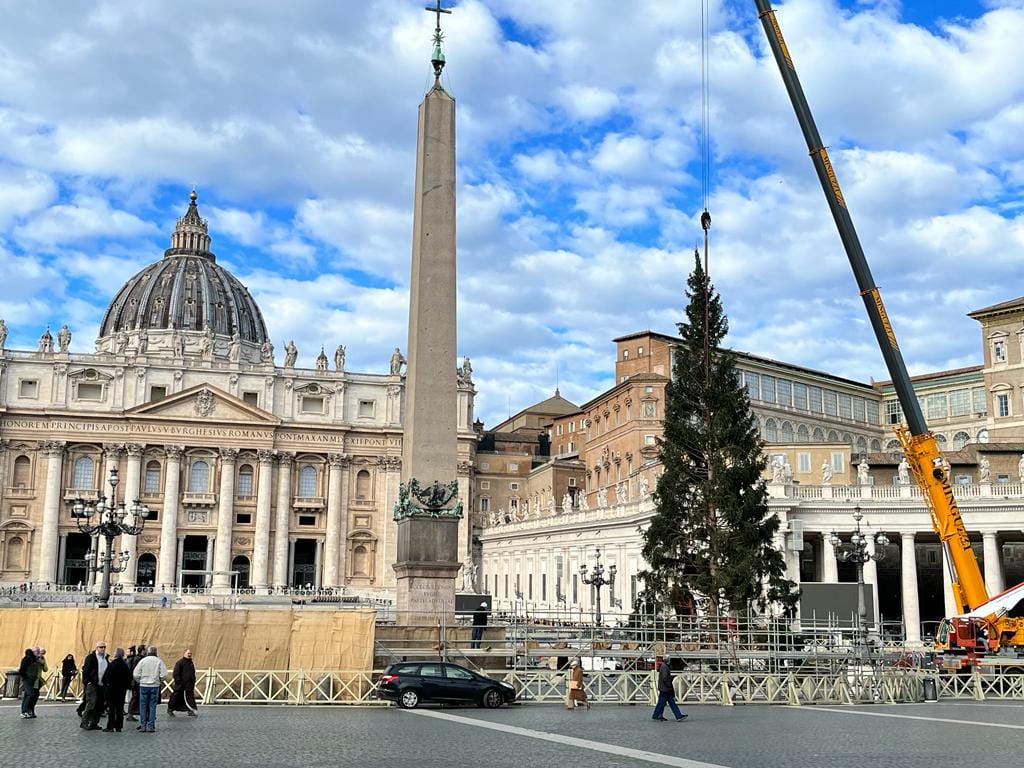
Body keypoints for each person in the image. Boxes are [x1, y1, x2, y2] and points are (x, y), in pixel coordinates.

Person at [133, 646, 168, 733]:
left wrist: (139, 681)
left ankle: (143, 725)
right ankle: (150, 726)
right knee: (152, 706)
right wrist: (159, 680)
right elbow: (164, 674)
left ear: (148, 652)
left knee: (143, 706)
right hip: (154, 686)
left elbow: (136, 673)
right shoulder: (159, 661)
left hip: (144, 685)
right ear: (156, 652)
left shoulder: (143, 661)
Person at [80, 641, 109, 730]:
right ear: (96, 648)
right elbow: (86, 670)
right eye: (101, 647)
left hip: (102, 685)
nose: (103, 649)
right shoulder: (91, 658)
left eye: (104, 647)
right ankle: (84, 722)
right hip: (92, 684)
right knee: (91, 703)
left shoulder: (106, 658)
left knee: (100, 705)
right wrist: (87, 681)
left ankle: (94, 722)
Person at [102, 648, 132, 733]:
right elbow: (128, 677)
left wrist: (106, 685)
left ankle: (110, 726)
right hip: (121, 690)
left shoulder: (112, 664)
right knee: (119, 708)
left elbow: (106, 678)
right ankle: (119, 726)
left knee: (111, 709)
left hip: (112, 689)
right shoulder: (124, 665)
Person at [652, 655, 687, 722]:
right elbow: (665, 678)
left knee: (664, 703)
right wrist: (669, 685)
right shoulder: (665, 667)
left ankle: (677, 716)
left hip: (664, 688)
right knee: (664, 703)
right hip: (665, 689)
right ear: (668, 660)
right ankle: (657, 715)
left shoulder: (663, 666)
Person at [168, 649, 198, 717]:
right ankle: (170, 709)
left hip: (189, 685)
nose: (189, 654)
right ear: (184, 654)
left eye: (190, 653)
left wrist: (193, 680)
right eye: (188, 653)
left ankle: (191, 710)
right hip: (181, 686)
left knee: (190, 698)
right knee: (176, 698)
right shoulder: (180, 662)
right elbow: (176, 673)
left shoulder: (191, 663)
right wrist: (179, 682)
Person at [18, 648, 39, 719]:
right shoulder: (26, 659)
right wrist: (25, 677)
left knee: (27, 695)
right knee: (30, 694)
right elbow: (22, 669)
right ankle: (24, 711)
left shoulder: (34, 659)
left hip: (32, 679)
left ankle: (26, 711)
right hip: (27, 679)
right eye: (36, 652)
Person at [28, 646, 47, 716]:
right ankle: (28, 710)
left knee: (35, 695)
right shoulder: (32, 658)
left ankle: (32, 710)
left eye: (43, 654)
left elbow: (45, 669)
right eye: (40, 653)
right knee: (31, 695)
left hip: (38, 681)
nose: (41, 655)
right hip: (31, 679)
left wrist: (42, 663)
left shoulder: (42, 659)